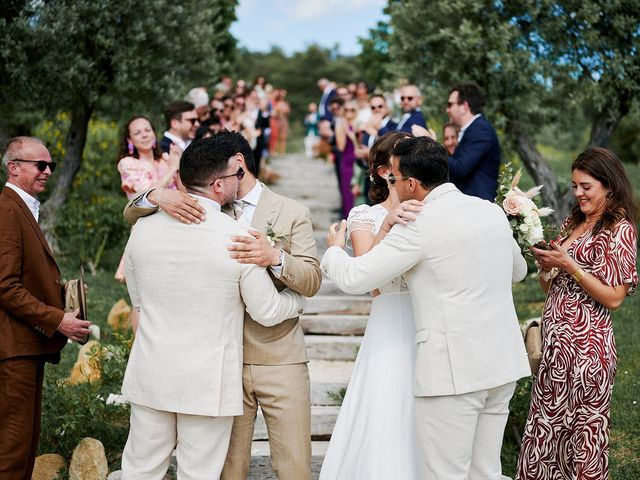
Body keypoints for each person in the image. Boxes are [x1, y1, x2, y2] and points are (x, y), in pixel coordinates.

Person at [321, 136, 531, 479]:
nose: (394, 185)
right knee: (486, 472)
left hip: (453, 374)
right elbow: (518, 271)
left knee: (445, 474)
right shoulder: (490, 211)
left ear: (412, 184)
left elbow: (358, 278)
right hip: (501, 366)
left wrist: (332, 250)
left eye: (397, 179)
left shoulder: (419, 223)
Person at [122, 130, 322, 480]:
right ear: (221, 180)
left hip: (273, 357)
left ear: (240, 165)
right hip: (215, 370)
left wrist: (275, 256)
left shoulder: (291, 212)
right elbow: (269, 308)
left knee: (293, 465)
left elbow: (312, 277)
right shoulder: (214, 224)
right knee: (217, 471)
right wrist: (157, 195)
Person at [517, 147, 638, 480]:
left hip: (588, 350)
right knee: (547, 434)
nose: (578, 193)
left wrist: (570, 266)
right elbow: (554, 290)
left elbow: (615, 298)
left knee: (582, 439)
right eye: (574, 186)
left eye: (586, 186)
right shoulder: (574, 222)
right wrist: (546, 269)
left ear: (608, 186)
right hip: (556, 347)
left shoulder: (619, 229)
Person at [320, 132, 420, 479]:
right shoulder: (365, 216)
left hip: (430, 317)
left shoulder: (432, 210)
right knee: (386, 406)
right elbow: (368, 277)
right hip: (391, 319)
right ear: (383, 172)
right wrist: (389, 225)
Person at [0, 136, 91, 480]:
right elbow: (4, 285)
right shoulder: (7, 210)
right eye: (40, 165)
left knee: (24, 444)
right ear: (14, 167)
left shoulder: (23, 208)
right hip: (13, 350)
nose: (48, 171)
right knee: (12, 449)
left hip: (26, 347)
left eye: (51, 165)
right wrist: (58, 320)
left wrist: (65, 295)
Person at [114, 116, 180, 283]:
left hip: (174, 226)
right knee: (143, 295)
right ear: (130, 140)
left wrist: (178, 167)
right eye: (137, 132)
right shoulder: (128, 163)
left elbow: (183, 190)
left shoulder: (165, 160)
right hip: (148, 228)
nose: (144, 135)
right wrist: (173, 168)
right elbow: (148, 194)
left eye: (147, 130)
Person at [446, 83, 501, 201]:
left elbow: (461, 169)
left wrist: (432, 146)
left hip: (478, 207)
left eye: (450, 104)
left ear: (464, 106)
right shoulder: (473, 129)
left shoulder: (480, 129)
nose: (447, 109)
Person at [335, 100, 359, 219]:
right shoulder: (341, 125)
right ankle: (348, 218)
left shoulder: (359, 124)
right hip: (347, 161)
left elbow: (360, 145)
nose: (349, 112)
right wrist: (343, 132)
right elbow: (341, 147)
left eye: (352, 110)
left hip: (359, 162)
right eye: (346, 110)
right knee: (347, 191)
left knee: (358, 192)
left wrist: (352, 135)